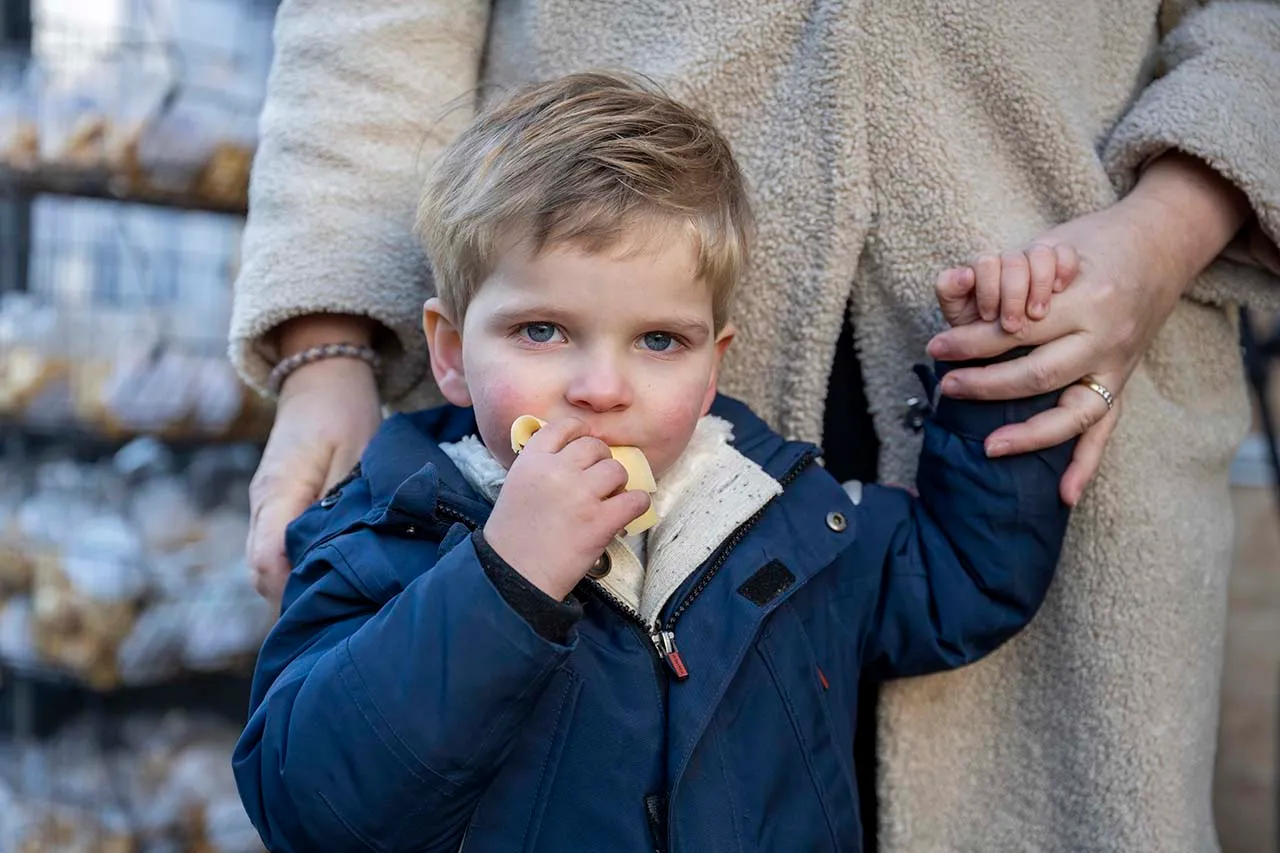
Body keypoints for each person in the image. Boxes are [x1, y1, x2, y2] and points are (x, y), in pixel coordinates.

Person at [229, 2, 1280, 849]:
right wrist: (500, 583)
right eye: (543, 330)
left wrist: (1002, 374)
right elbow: (310, 797)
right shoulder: (387, 531)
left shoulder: (779, 512)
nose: (599, 387)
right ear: (450, 349)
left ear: (715, 356)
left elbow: (954, 587)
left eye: (657, 342)